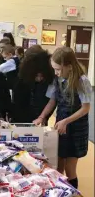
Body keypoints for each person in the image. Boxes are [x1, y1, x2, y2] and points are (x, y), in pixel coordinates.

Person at [33, 47, 92, 189]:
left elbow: (86, 108)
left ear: (69, 67)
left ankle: (73, 196)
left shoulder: (82, 81)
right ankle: (60, 194)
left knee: (70, 170)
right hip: (61, 125)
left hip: (76, 127)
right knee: (58, 167)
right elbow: (52, 100)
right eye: (54, 69)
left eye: (58, 69)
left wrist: (66, 121)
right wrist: (42, 116)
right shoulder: (57, 79)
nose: (56, 72)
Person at [13, 47, 54, 123]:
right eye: (36, 76)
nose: (39, 78)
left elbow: (51, 101)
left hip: (41, 119)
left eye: (42, 76)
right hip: (22, 119)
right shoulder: (22, 79)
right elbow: (17, 102)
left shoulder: (48, 79)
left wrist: (44, 117)